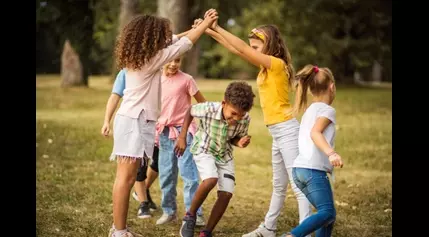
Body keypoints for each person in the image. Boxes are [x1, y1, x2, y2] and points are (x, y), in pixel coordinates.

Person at [196, 15, 313, 237]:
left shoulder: (276, 64)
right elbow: (238, 50)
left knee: (298, 186)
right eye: (252, 47)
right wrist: (209, 31)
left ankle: (304, 231)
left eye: (256, 47)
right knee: (279, 186)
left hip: (287, 130)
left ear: (269, 45)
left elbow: (240, 47)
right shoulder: (266, 66)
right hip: (278, 132)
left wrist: (218, 26)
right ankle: (269, 228)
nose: (251, 50)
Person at [107, 11, 218, 237]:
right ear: (153, 38)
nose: (167, 39)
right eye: (163, 36)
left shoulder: (142, 55)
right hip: (134, 121)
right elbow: (184, 44)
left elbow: (177, 39)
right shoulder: (152, 59)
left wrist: (200, 28)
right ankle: (119, 231)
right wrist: (206, 23)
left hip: (134, 120)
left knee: (125, 178)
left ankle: (119, 228)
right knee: (126, 179)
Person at [176, 81, 255, 237]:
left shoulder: (245, 118)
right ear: (224, 103)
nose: (236, 118)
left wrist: (239, 142)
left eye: (240, 115)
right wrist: (182, 136)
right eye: (233, 113)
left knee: (226, 193)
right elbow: (190, 111)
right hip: (204, 148)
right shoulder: (209, 108)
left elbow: (234, 137)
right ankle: (190, 216)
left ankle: (207, 231)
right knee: (210, 179)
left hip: (224, 154)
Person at [280, 65, 343, 237]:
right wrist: (331, 153)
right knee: (327, 212)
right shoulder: (327, 110)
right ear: (332, 86)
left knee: (327, 216)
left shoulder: (310, 110)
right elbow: (315, 133)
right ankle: (292, 235)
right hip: (312, 171)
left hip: (299, 171)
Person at [155, 56, 207, 226]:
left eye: (177, 60)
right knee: (166, 175)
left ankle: (194, 213)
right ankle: (169, 211)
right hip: (164, 132)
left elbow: (202, 103)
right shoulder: (155, 80)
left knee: (189, 175)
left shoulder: (187, 80)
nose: (173, 64)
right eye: (169, 60)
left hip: (184, 132)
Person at [102, 69, 159, 219]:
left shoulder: (154, 69)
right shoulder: (125, 72)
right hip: (131, 125)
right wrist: (107, 120)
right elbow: (115, 97)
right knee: (130, 172)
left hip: (150, 126)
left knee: (145, 167)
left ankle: (141, 199)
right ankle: (142, 203)